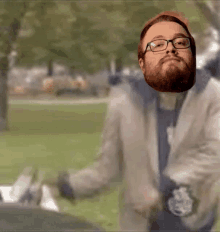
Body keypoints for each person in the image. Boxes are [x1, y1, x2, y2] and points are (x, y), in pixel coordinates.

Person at [53, 11, 220, 231]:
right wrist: (65, 187)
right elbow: (106, 169)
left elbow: (214, 151)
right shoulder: (124, 103)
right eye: (158, 45)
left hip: (193, 220)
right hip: (141, 223)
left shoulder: (212, 95)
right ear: (143, 61)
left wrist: (166, 185)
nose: (171, 50)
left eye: (180, 43)